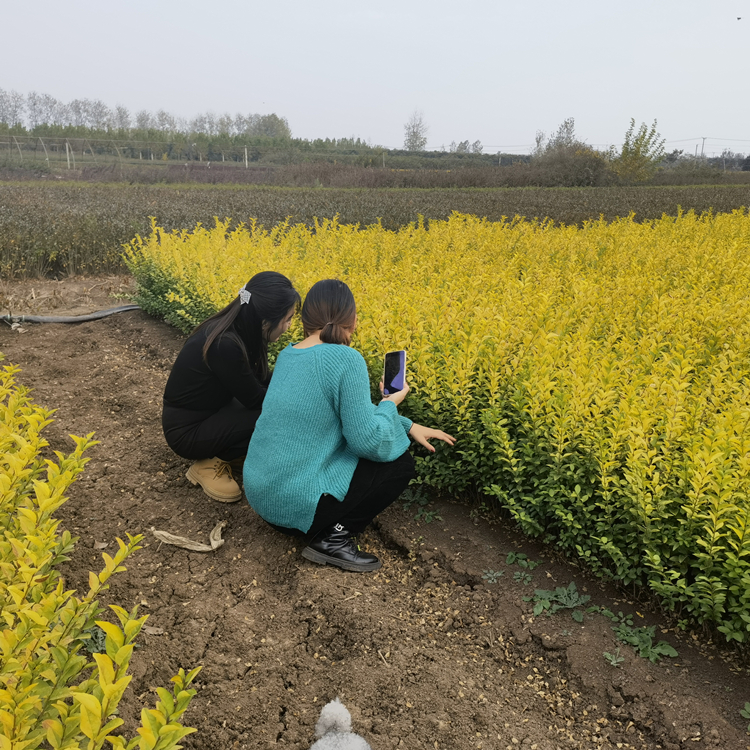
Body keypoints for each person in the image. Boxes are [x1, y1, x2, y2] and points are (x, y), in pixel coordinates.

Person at [243, 278, 455, 572]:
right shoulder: (346, 358)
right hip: (296, 510)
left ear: (305, 319)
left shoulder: (289, 354)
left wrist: (406, 425)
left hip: (262, 497)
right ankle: (334, 539)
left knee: (370, 442)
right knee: (399, 464)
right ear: (353, 320)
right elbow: (367, 441)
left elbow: (338, 409)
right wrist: (391, 402)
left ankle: (327, 526)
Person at [162, 271, 301, 502]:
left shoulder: (244, 330)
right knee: (277, 414)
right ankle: (210, 463)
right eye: (287, 319)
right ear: (265, 321)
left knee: (276, 411)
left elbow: (262, 380)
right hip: (187, 432)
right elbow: (258, 400)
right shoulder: (225, 344)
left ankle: (228, 452)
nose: (288, 326)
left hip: (212, 413)